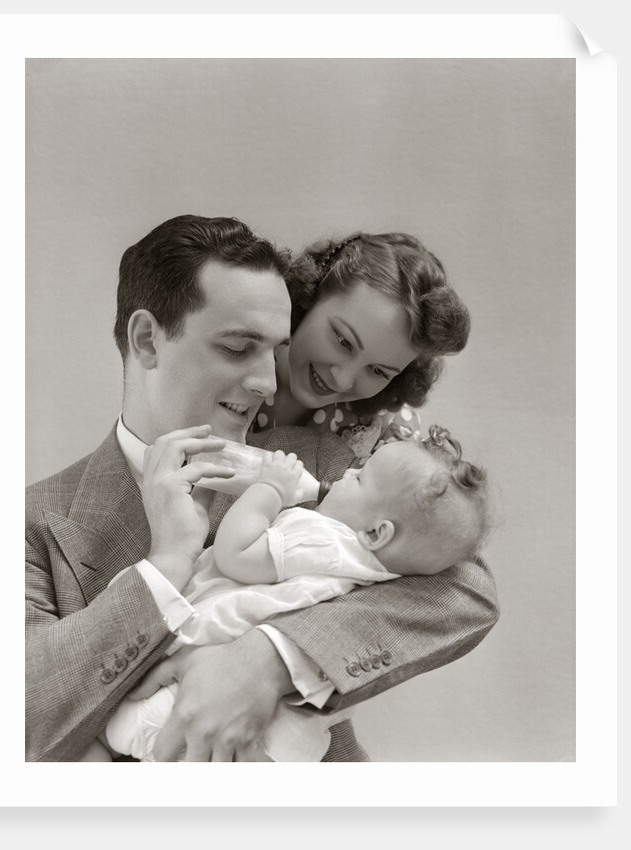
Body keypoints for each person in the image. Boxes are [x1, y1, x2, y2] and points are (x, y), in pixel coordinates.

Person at [25, 214, 499, 762]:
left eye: (273, 349)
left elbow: (465, 588)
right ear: (147, 340)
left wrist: (269, 657)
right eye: (236, 347)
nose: (270, 382)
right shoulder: (30, 522)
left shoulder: (324, 462)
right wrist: (165, 565)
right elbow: (12, 714)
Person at [95, 425, 489, 762]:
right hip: (278, 721)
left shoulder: (324, 539)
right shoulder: (374, 568)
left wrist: (269, 489)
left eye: (360, 477)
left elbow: (237, 554)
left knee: (118, 730)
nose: (348, 470)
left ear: (376, 533)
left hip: (200, 649)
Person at [253, 231, 470, 461]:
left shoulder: (385, 436)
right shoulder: (227, 362)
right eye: (343, 341)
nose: (342, 379)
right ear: (309, 293)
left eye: (378, 371)